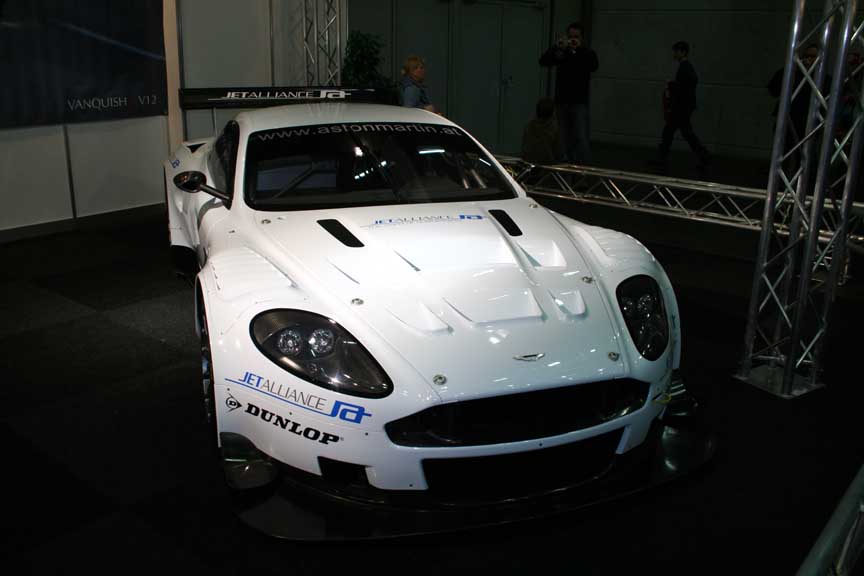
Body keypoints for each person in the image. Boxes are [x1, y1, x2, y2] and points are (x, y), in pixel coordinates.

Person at [539, 22, 598, 163]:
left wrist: (578, 50)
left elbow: (594, 65)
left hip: (579, 102)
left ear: (582, 38)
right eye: (570, 37)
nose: (573, 40)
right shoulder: (562, 52)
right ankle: (564, 168)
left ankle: (584, 169)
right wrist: (556, 47)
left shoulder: (587, 53)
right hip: (562, 101)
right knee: (562, 137)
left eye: (576, 37)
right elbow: (543, 61)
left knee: (581, 136)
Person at [657, 41, 711, 169]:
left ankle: (662, 159)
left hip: (682, 107)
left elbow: (684, 86)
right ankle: (703, 155)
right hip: (684, 107)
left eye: (676, 51)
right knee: (682, 132)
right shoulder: (686, 66)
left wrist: (671, 84)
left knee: (671, 132)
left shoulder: (685, 67)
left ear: (683, 52)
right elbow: (689, 84)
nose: (674, 54)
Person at [521, 98, 561, 164]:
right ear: (553, 114)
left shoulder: (529, 126)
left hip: (528, 162)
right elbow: (558, 152)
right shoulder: (553, 129)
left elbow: (524, 147)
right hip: (547, 164)